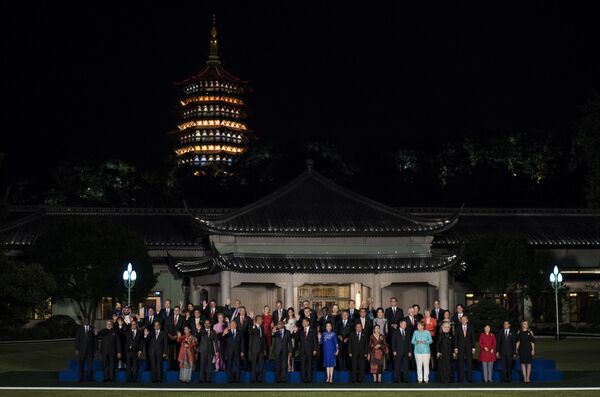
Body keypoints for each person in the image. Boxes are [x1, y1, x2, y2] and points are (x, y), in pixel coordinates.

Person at [295, 317, 318, 383]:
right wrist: (295, 331)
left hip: (310, 350)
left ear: (308, 322)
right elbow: (297, 338)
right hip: (302, 350)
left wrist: (315, 349)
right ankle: (303, 379)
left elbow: (315, 340)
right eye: (302, 322)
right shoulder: (300, 330)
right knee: (303, 365)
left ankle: (309, 379)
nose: (303, 323)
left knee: (309, 365)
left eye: (304, 322)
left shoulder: (313, 330)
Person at [454, 315, 475, 382]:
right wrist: (455, 347)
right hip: (460, 347)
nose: (463, 321)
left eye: (465, 319)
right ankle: (461, 378)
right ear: (461, 320)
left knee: (469, 363)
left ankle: (469, 378)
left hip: (469, 347)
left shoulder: (471, 328)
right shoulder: (457, 328)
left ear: (467, 320)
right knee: (460, 363)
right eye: (462, 319)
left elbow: (473, 338)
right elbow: (456, 338)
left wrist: (473, 347)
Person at [248, 315, 267, 383]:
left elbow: (263, 339)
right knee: (254, 364)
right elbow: (250, 333)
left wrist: (264, 349)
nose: (262, 321)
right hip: (254, 349)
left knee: (261, 365)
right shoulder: (252, 327)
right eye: (260, 320)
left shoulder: (261, 328)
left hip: (261, 350)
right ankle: (253, 378)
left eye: (262, 320)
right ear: (256, 320)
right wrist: (253, 326)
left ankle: (260, 378)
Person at [197, 319, 216, 383]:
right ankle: (201, 379)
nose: (207, 324)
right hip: (203, 350)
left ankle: (208, 379)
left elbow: (215, 342)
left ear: (210, 324)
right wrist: (199, 330)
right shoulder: (202, 331)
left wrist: (217, 351)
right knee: (202, 365)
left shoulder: (213, 331)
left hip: (211, 350)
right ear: (204, 324)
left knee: (209, 365)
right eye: (205, 323)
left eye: (208, 323)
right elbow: (198, 335)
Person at [167, 306, 185, 370]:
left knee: (178, 352)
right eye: (175, 310)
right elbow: (166, 327)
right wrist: (169, 334)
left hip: (178, 338)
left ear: (179, 311)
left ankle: (177, 366)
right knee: (170, 353)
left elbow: (183, 329)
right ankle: (171, 366)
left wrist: (178, 336)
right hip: (170, 338)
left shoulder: (182, 318)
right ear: (173, 311)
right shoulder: (169, 318)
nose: (176, 311)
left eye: (177, 310)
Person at [285, 308, 297, 372]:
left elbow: (296, 329)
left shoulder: (295, 320)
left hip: (292, 338)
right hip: (286, 339)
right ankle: (288, 367)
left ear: (293, 312)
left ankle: (292, 367)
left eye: (291, 312)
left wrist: (295, 330)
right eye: (288, 312)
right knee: (287, 353)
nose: (290, 313)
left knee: (291, 353)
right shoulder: (285, 320)